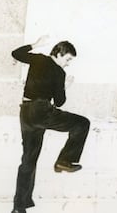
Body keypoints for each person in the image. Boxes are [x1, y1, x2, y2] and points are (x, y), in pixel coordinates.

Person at [11, 36, 90, 213]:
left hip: (26, 112)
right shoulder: (59, 72)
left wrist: (36, 44)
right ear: (60, 53)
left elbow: (16, 53)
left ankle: (19, 206)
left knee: (28, 159)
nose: (68, 64)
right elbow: (60, 102)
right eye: (68, 59)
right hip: (41, 111)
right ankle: (65, 160)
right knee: (82, 123)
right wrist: (65, 86)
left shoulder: (38, 58)